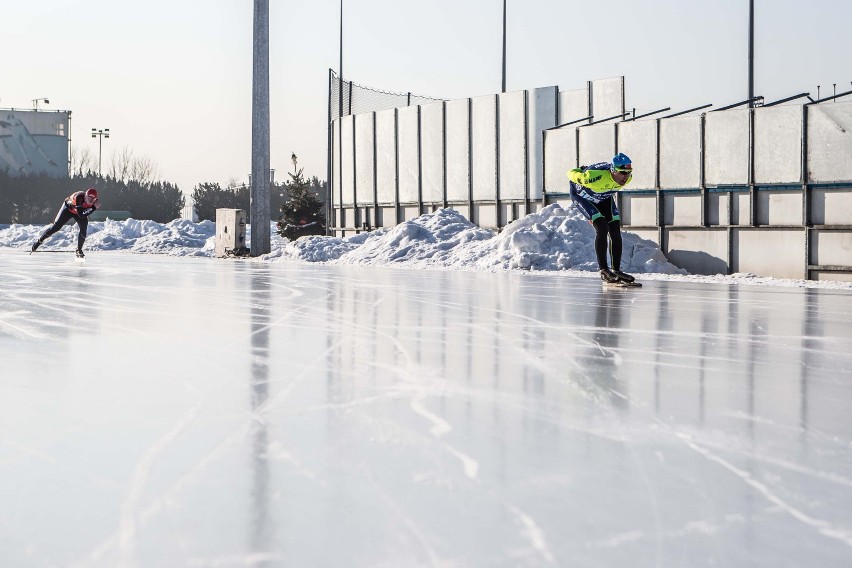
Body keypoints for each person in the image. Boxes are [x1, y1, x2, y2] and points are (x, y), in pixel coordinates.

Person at [567, 153, 635, 284]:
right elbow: (570, 173)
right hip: (582, 196)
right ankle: (604, 270)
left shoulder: (628, 178)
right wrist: (579, 171)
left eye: (628, 172)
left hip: (603, 197)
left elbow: (619, 180)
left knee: (615, 229)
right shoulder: (593, 177)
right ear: (614, 170)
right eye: (623, 172)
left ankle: (616, 270)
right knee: (602, 227)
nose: (626, 177)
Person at [31, 188, 101, 257]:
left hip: (79, 211)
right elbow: (81, 214)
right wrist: (93, 208)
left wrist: (92, 207)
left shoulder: (95, 202)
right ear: (85, 196)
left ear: (95, 199)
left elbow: (83, 213)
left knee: (84, 228)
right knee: (56, 227)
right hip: (68, 209)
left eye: (92, 200)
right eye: (88, 198)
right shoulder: (79, 198)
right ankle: (39, 241)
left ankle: (79, 250)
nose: (89, 201)